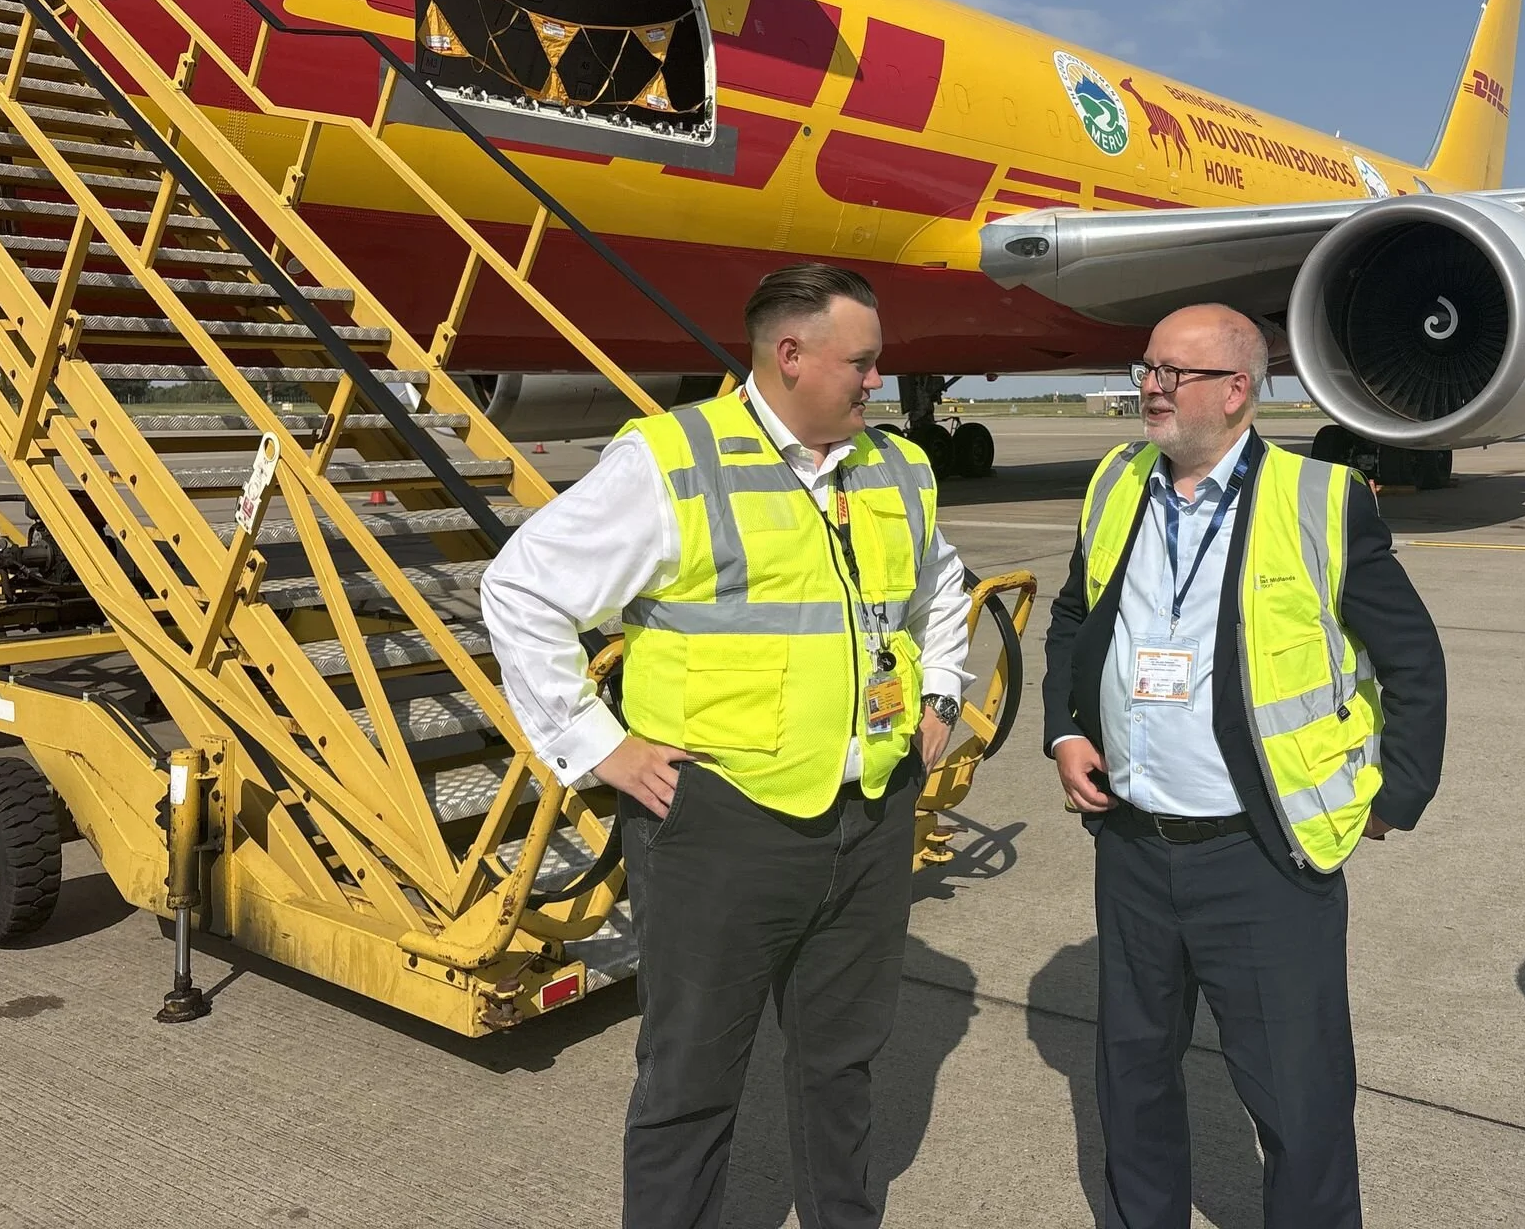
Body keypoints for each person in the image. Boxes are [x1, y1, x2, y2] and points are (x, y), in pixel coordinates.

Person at [480, 264, 971, 1229]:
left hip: (870, 815)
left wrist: (942, 692)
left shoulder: (896, 466)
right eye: (861, 362)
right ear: (790, 356)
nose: (877, 380)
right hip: (721, 824)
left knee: (843, 1065)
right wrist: (597, 747)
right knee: (692, 1077)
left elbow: (940, 588)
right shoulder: (675, 459)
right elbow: (522, 588)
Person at [1043, 303, 1448, 1229]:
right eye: (1147, 368)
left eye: (1172, 373)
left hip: (1263, 857)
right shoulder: (1116, 482)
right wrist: (1065, 730)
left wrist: (1397, 795)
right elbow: (1075, 617)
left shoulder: (1319, 498)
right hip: (1132, 845)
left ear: (1235, 391)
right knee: (1133, 1079)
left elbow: (1413, 660)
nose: (1150, 387)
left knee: (1298, 1099)